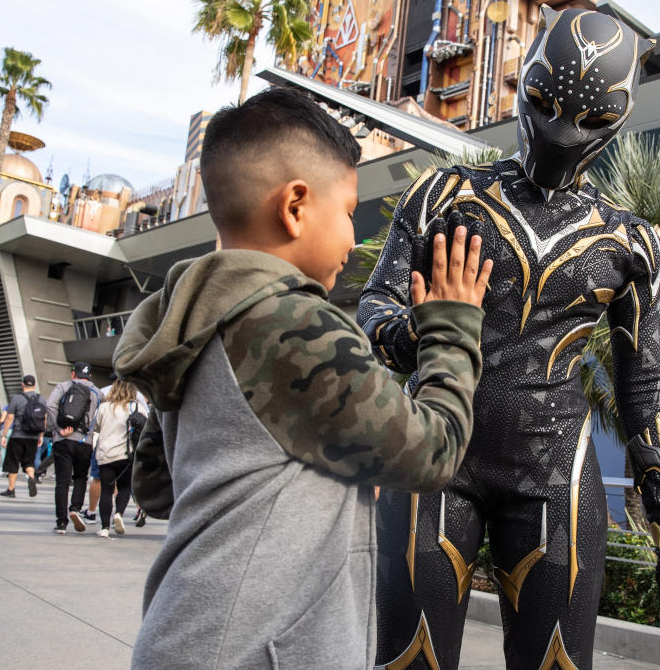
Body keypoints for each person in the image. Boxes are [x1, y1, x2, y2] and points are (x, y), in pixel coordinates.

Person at [359, 7, 660, 668]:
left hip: (548, 473)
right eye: (545, 103)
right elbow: (373, 306)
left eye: (590, 118)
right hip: (436, 456)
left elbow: (644, 387)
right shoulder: (443, 195)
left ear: (618, 117)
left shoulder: (633, 245)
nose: (561, 133)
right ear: (524, 86)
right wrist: (420, 332)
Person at [113, 86, 492, 669]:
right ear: (294, 206)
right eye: (347, 212)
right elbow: (432, 454)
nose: (353, 236)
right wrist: (453, 327)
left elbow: (157, 491)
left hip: (190, 637)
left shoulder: (191, 320)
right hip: (254, 653)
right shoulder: (290, 322)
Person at [46, 361, 103, 534]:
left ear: (73, 374)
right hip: (84, 441)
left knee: (62, 481)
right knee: (80, 477)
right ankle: (75, 508)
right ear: (90, 376)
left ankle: (61, 522)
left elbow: (49, 405)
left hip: (63, 440)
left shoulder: (63, 386)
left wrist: (59, 428)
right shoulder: (98, 393)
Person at [91, 378, 146, 538]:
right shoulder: (136, 407)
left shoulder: (103, 407)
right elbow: (146, 425)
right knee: (125, 488)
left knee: (106, 491)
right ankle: (119, 514)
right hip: (126, 454)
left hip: (105, 454)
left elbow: (96, 427)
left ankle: (105, 527)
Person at [0, 375, 45, 498]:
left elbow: (9, 417)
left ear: (23, 384)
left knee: (13, 461)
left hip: (18, 435)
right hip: (33, 436)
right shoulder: (41, 399)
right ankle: (31, 477)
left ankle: (11, 489)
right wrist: (41, 435)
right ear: (34, 385)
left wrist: (4, 435)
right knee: (29, 461)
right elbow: (44, 418)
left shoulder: (17, 398)